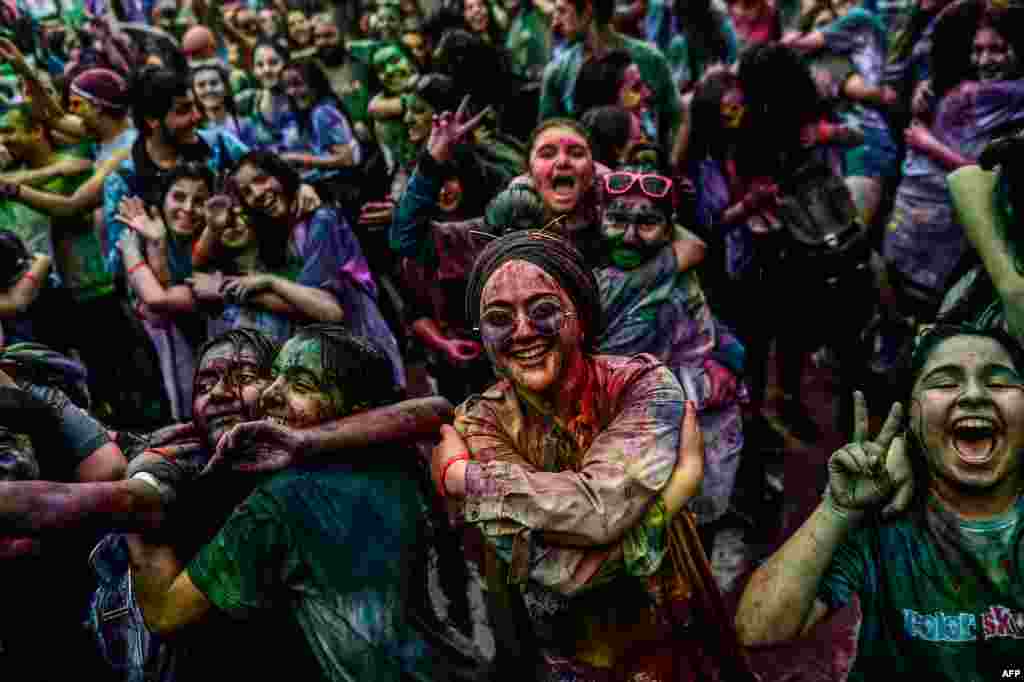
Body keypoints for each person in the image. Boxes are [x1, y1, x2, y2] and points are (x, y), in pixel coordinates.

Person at [433, 229, 756, 680]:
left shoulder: (643, 386)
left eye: (544, 309)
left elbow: (598, 512)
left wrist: (466, 479)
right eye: (499, 317)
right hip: (550, 650)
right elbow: (559, 573)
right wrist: (669, 500)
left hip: (663, 629)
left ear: (582, 317)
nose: (523, 331)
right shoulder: (478, 422)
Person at [128, 325, 438, 681]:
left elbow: (164, 614)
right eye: (275, 377)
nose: (270, 395)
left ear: (357, 408)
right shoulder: (399, 454)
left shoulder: (280, 501)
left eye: (301, 384)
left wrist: (140, 482)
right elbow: (434, 410)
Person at [735, 325, 1020, 679]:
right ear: (909, 419)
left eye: (998, 382)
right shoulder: (884, 516)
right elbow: (759, 629)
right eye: (945, 383)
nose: (974, 395)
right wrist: (836, 511)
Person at [539, 0, 680, 156]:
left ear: (587, 9)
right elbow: (548, 137)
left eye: (562, 11)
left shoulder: (650, 60)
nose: (555, 23)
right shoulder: (558, 70)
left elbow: (674, 121)